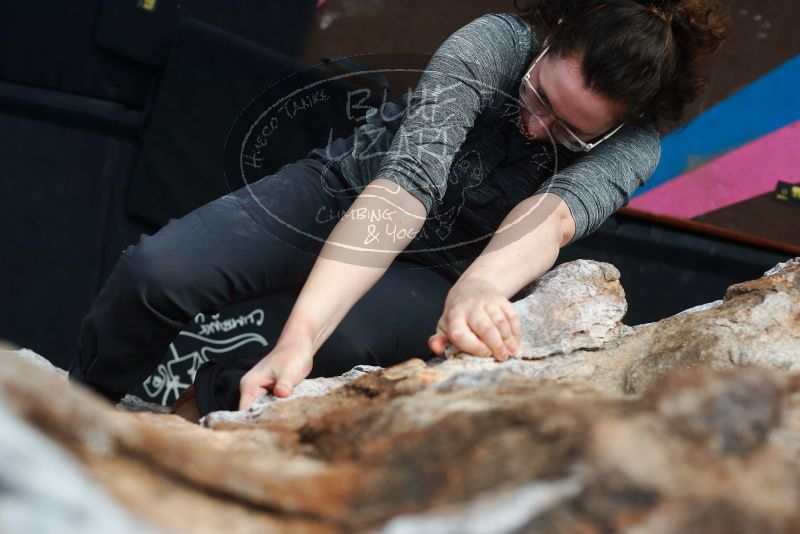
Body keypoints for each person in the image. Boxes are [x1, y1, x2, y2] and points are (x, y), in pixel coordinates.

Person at [68, 0, 729, 418]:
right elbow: (406, 185)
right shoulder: (494, 43)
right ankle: (81, 411)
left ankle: (191, 422)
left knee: (335, 348)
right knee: (159, 271)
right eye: (538, 98)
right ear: (553, 32)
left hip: (448, 264)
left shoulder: (636, 148)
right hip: (352, 190)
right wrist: (302, 334)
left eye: (567, 131)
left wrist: (479, 288)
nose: (536, 128)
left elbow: (551, 219)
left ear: (623, 122)